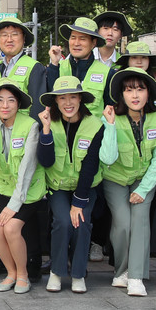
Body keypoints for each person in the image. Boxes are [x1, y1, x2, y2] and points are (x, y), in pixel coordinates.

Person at [99, 67, 156, 297]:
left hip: (144, 178)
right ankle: (122, 271)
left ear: (149, 92)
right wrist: (109, 126)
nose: (135, 95)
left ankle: (136, 276)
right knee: (123, 224)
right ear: (121, 94)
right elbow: (107, 158)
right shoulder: (110, 116)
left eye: (140, 89)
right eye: (129, 90)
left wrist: (144, 188)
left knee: (140, 221)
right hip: (115, 178)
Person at [0, 78, 44, 294]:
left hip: (28, 189)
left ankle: (23, 275)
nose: (5, 105)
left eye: (11, 100)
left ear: (19, 103)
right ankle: (10, 273)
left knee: (12, 228)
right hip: (2, 187)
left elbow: (28, 168)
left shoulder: (30, 125)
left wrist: (14, 204)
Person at [36, 77, 106, 293]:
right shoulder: (49, 123)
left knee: (81, 222)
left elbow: (91, 165)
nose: (68, 102)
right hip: (57, 186)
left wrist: (79, 201)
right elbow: (45, 161)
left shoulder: (95, 125)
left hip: (85, 187)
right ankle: (57, 272)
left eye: (73, 97)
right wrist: (46, 130)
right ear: (55, 101)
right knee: (64, 222)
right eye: (62, 98)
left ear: (80, 99)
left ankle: (78, 273)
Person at [0, 16, 46, 119]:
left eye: (14, 34)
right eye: (4, 35)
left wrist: (32, 132)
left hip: (22, 131)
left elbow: (38, 108)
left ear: (23, 39)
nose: (9, 39)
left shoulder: (34, 67)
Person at [47, 17, 114, 119]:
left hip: (93, 133)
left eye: (83, 39)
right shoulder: (56, 67)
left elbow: (110, 112)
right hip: (60, 133)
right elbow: (49, 101)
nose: (76, 43)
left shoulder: (107, 73)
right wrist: (54, 65)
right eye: (73, 37)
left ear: (93, 43)